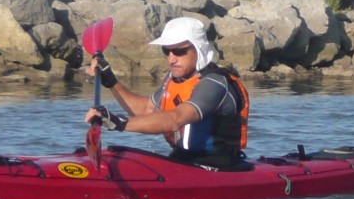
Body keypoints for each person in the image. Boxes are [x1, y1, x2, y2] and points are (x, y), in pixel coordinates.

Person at [86, 16, 250, 170]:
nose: (171, 59)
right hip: (182, 161)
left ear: (198, 49)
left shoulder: (214, 84)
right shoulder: (174, 78)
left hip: (218, 167)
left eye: (179, 51)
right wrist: (112, 82)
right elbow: (146, 110)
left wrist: (118, 122)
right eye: (167, 51)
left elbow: (175, 119)